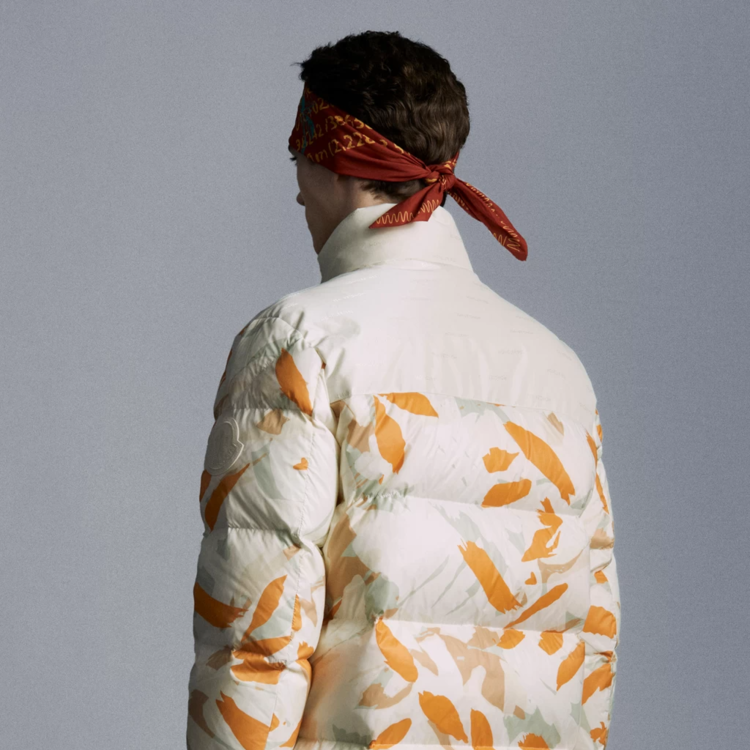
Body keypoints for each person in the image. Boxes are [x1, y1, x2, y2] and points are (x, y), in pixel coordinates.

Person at [186, 30, 621, 750]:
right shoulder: (561, 372)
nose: (295, 184)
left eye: (298, 153)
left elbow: (257, 638)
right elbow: (592, 644)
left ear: (337, 158)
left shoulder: (300, 341)